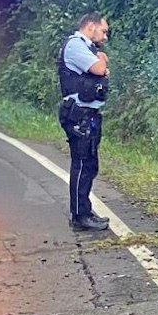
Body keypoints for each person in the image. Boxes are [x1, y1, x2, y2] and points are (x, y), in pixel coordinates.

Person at [58, 12, 111, 231]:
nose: (105, 37)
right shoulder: (76, 45)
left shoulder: (87, 48)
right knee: (82, 164)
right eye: (104, 31)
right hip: (79, 115)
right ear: (91, 26)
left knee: (89, 164)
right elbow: (100, 69)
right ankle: (80, 216)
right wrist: (102, 60)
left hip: (87, 114)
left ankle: (84, 211)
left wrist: (100, 60)